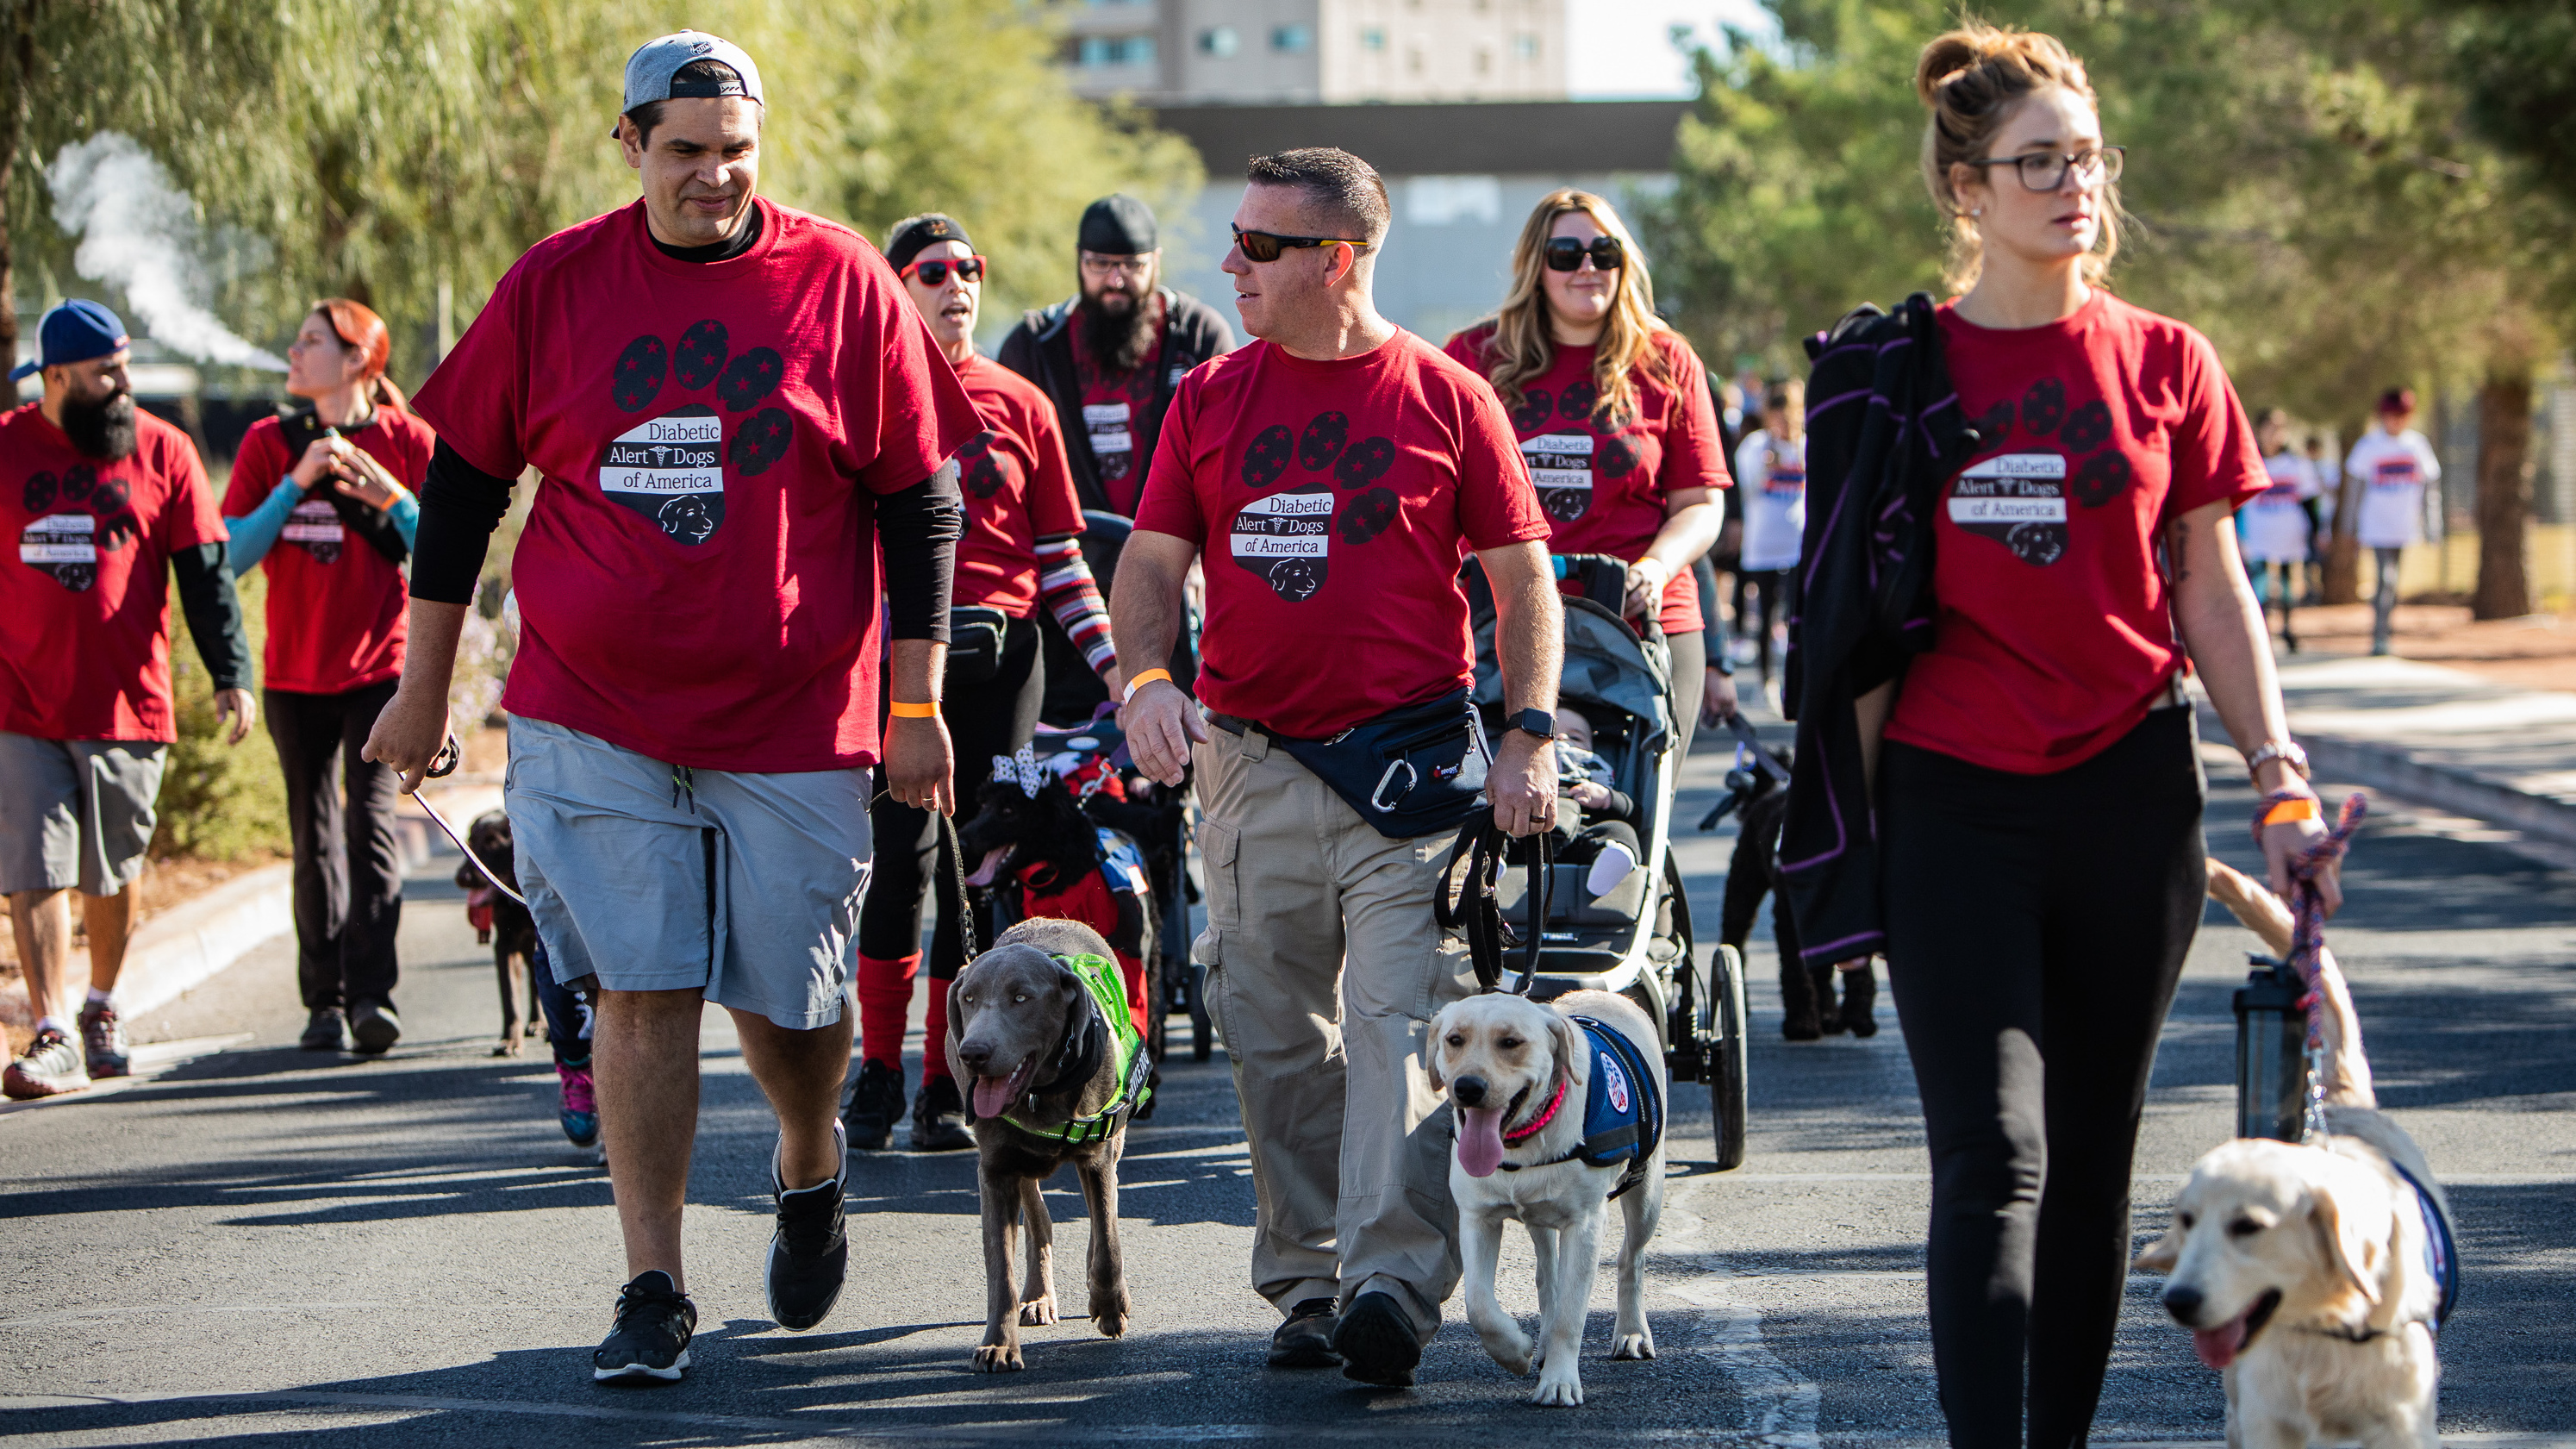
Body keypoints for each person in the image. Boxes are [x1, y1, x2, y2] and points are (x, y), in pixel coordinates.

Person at [361, 32, 979, 1382]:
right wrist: (421, 692)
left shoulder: (840, 282)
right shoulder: (557, 284)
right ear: (629, 144)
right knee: (643, 990)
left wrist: (915, 701)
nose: (715, 178)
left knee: (792, 1003)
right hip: (595, 709)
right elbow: (464, 486)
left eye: (737, 154)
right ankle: (654, 1281)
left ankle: (809, 1160)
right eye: (687, 152)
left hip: (797, 710)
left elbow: (918, 498)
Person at [1781, 25, 2340, 1443]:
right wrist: (1838, 826)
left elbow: (2207, 583)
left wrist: (2275, 776)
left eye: (2085, 160)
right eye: (2037, 163)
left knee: (2091, 1170)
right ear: (1964, 188)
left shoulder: (2165, 361)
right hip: (1952, 801)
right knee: (1990, 1155)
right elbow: (1846, 615)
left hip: (2129, 800)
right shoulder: (1895, 373)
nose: (2071, 186)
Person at [1112, 147, 1562, 1388]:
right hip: (1252, 767)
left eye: (1257, 245)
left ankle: (1389, 1281)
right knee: (1272, 1038)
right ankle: (1307, 1279)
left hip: (1408, 772)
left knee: (1398, 1028)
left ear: (1336, 259)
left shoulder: (1447, 396)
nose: (1230, 264)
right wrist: (1147, 682)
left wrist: (1524, 731)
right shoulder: (1207, 398)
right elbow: (1151, 564)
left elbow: (1523, 579)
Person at [843, 212, 1123, 1153]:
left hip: (1005, 665)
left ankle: (947, 1080)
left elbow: (1061, 563)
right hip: (900, 661)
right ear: (897, 288)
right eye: (934, 270)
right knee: (899, 863)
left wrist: (1123, 669)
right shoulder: (862, 393)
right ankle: (879, 1071)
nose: (958, 283)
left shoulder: (1022, 402)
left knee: (982, 874)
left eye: (971, 268)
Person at [2, 300, 255, 1099]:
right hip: (19, 702)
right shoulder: (6, 447)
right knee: (32, 865)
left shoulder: (166, 451)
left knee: (110, 867)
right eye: (105, 371)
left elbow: (207, 578)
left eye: (124, 366)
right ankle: (50, 1026)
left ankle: (101, 1006)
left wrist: (230, 673)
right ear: (57, 377)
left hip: (125, 704)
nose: (122, 384)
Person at [1442, 189, 1728, 751]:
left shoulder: (1667, 359)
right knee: (1503, 812)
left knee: (1636, 811)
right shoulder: (1475, 355)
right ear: (1536, 266)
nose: (1588, 267)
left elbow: (1699, 503)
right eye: (1566, 254)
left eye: (1604, 251)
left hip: (1642, 623)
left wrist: (1655, 567)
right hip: (1504, 622)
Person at [222, 300, 433, 1055]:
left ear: (357, 359)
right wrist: (296, 483)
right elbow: (232, 556)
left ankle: (373, 994)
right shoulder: (266, 442)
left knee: (369, 826)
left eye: (311, 341)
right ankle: (325, 1001)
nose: (292, 349)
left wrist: (392, 497)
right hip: (294, 676)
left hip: (380, 673)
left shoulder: (408, 440)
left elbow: (444, 550)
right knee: (312, 837)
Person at [997, 195, 1234, 724]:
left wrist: (1199, 566)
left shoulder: (1197, 337)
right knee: (1064, 759)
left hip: (1170, 590)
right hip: (1066, 595)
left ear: (1156, 262)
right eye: (1100, 265)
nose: (1115, 281)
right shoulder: (1036, 345)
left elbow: (1226, 469)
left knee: (1170, 759)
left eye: (1131, 266)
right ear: (1079, 263)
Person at [2346, 388, 2441, 656]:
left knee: (2393, 580)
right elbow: (2354, 489)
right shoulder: (2369, 446)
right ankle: (2379, 635)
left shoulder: (2416, 445)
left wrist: (2434, 524)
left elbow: (2430, 487)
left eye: (2401, 416)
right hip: (2376, 525)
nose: (2395, 422)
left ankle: (2385, 630)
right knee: (2385, 579)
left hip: (2404, 524)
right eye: (2390, 416)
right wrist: (2348, 525)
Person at [1732, 380, 1806, 706]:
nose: (1784, 424)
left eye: (1789, 417)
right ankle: (1766, 681)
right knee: (1764, 616)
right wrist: (1766, 464)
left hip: (1797, 544)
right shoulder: (1755, 445)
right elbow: (1744, 488)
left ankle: (1795, 678)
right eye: (1778, 417)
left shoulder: (1805, 445)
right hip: (1762, 544)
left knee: (1795, 617)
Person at [2241, 408, 2317, 653]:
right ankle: (2260, 629)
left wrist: (2316, 531)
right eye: (2271, 428)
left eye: (2281, 428)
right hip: (2258, 535)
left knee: (2286, 582)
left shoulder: (2296, 464)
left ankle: (2287, 627)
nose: (2276, 434)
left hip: (2288, 534)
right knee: (2259, 582)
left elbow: (2309, 501)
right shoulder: (2248, 461)